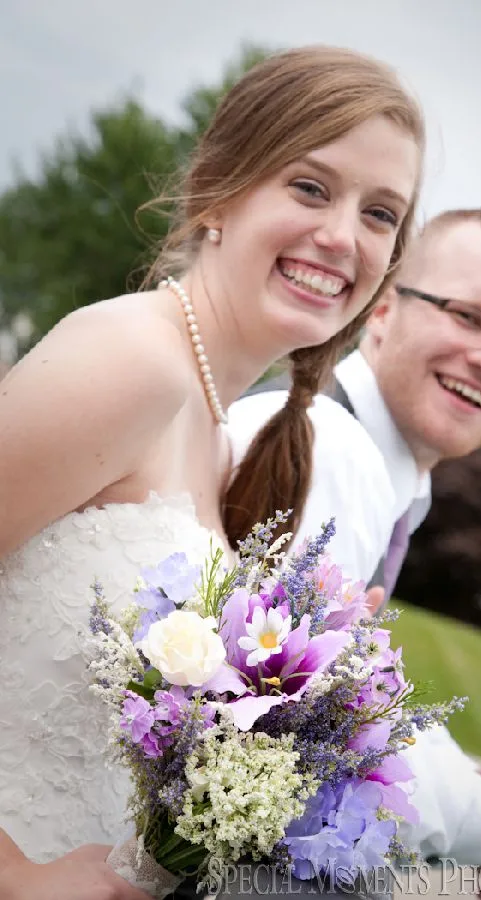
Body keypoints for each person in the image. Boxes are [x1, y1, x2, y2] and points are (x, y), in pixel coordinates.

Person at [0, 45, 425, 899]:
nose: (342, 236)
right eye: (310, 187)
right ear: (220, 189)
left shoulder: (214, 431)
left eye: (381, 214)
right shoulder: (132, 363)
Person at [226, 206, 481, 891]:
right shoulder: (326, 449)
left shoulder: (384, 477)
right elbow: (287, 727)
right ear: (384, 308)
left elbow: (342, 695)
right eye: (468, 316)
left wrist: (459, 773)